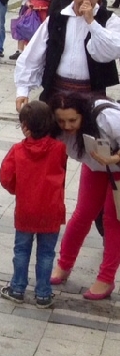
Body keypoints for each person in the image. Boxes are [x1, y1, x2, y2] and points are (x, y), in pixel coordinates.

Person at [48, 93, 120, 300]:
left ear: (83, 115)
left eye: (72, 120)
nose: (67, 126)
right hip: (95, 166)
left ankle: (106, 278)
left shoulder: (106, 118)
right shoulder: (56, 129)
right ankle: (64, 265)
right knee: (82, 214)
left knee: (113, 221)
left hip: (117, 167)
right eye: (61, 121)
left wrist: (114, 158)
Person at [14, 0, 120, 109]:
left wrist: (92, 23)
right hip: (57, 91)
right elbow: (33, 54)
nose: (86, 0)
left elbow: (112, 49)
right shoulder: (56, 18)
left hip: (92, 93)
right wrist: (23, 90)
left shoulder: (109, 19)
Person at [0, 101, 66, 309]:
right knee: (46, 253)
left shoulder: (18, 150)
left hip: (26, 209)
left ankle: (17, 288)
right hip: (51, 210)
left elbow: (5, 177)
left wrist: (18, 189)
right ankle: (43, 293)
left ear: (25, 126)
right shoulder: (59, 149)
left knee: (21, 250)